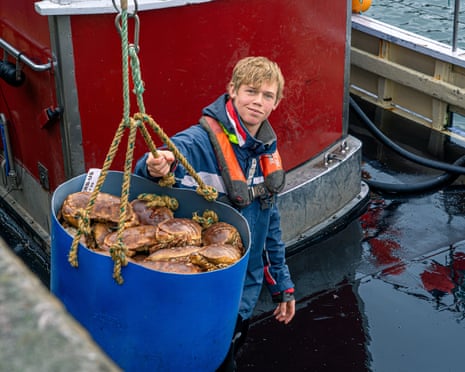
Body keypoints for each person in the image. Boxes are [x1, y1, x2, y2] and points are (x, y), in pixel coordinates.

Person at [134, 56, 295, 370]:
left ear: (276, 103)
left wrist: (282, 287)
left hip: (240, 295)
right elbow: (166, 159)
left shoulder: (266, 154)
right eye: (251, 91)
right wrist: (156, 165)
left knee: (226, 357)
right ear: (232, 90)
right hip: (194, 292)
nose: (258, 102)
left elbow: (269, 227)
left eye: (267, 96)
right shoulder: (199, 142)